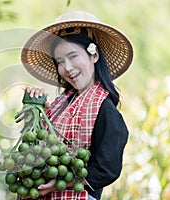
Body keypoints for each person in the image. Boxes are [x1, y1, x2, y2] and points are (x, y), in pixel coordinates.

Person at [20, 11, 133, 200]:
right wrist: (36, 106)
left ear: (94, 54)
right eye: (60, 62)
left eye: (73, 57)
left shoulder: (104, 109)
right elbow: (37, 148)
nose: (68, 68)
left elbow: (107, 169)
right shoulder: (60, 105)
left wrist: (63, 183)